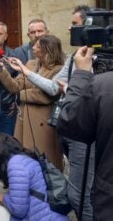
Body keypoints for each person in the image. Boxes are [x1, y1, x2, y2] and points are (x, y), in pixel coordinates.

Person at [16, 5, 95, 220]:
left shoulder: (75, 58)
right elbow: (53, 87)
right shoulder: (73, 58)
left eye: (75, 24)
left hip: (91, 130)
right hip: (72, 128)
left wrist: (23, 89)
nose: (70, 28)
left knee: (80, 193)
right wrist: (21, 71)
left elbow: (45, 94)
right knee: (78, 190)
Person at [0, 35, 65, 170]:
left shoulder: (58, 69)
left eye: (37, 46)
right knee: (25, 158)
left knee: (45, 160)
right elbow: (15, 86)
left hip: (44, 122)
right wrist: (1, 70)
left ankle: (49, 188)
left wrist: (20, 96)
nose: (33, 48)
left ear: (47, 50)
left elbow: (47, 96)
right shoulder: (30, 64)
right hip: (24, 121)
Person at [57, 46, 112, 221]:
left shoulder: (103, 85)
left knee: (78, 194)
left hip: (108, 196)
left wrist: (80, 76)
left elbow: (69, 122)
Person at [0, 133, 69, 221]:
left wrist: (3, 198)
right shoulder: (24, 158)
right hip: (52, 216)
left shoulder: (15, 165)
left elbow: (19, 210)